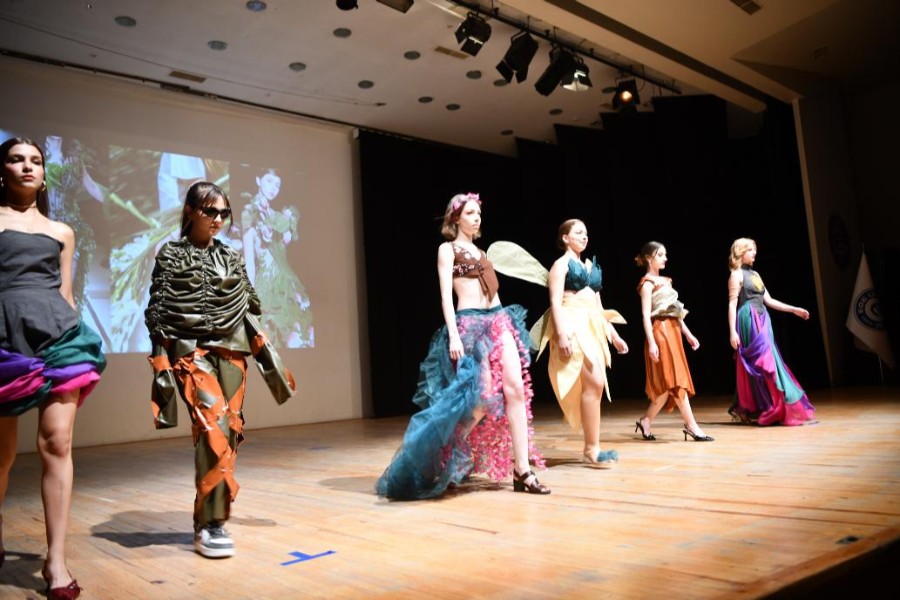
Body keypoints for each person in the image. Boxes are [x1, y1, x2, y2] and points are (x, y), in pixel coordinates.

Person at [144, 181, 296, 559]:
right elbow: (159, 313)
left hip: (232, 351)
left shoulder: (231, 256)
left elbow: (247, 307)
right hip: (190, 352)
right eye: (210, 211)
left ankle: (209, 519)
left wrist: (265, 355)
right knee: (213, 425)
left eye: (223, 213)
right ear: (190, 212)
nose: (217, 219)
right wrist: (161, 364)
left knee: (229, 430)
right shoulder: (171, 255)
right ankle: (211, 525)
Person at [376, 192, 549, 500]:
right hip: (469, 324)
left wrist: (504, 324)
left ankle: (523, 470)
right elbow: (445, 295)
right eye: (470, 213)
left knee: (516, 390)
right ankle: (447, 455)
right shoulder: (447, 249)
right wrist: (455, 335)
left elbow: (493, 293)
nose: (476, 218)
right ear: (455, 218)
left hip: (498, 320)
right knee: (481, 400)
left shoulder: (482, 253)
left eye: (478, 213)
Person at [0, 137, 106, 600]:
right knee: (1, 455)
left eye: (36, 161)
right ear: (1, 170)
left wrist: (76, 329)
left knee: (57, 441)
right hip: (4, 338)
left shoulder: (62, 230)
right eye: (16, 159)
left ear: (44, 175)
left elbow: (65, 291)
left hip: (58, 336)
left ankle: (55, 561)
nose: (28, 166)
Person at [539, 219, 628, 467]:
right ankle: (591, 449)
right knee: (595, 382)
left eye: (586, 233)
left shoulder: (589, 266)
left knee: (595, 386)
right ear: (565, 238)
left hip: (591, 326)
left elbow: (598, 307)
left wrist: (614, 335)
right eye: (578, 232)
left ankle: (592, 448)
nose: (584, 236)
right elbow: (555, 302)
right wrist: (562, 333)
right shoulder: (560, 265)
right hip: (571, 325)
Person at [727, 237, 815, 426]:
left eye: (754, 249)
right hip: (749, 319)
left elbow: (769, 300)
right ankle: (757, 407)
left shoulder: (755, 274)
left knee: (770, 361)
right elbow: (732, 304)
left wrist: (794, 309)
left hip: (763, 319)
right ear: (741, 252)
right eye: (751, 250)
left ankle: (771, 406)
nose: (754, 253)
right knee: (759, 362)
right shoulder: (736, 275)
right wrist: (732, 332)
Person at [634, 241, 713, 442]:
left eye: (665, 254)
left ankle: (645, 420)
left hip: (674, 331)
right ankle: (692, 426)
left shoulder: (667, 282)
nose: (665, 258)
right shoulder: (647, 284)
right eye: (660, 255)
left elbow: (676, 312)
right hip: (660, 332)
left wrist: (688, 333)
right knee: (675, 381)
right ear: (649, 258)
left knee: (668, 385)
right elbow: (645, 316)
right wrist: (652, 342)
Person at [241, 168, 313, 348]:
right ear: (258, 180)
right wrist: (250, 295)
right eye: (269, 181)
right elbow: (249, 261)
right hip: (268, 286)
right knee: (272, 340)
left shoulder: (279, 217)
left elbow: (286, 240)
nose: (274, 188)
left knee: (300, 335)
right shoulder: (249, 213)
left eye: (278, 185)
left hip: (287, 282)